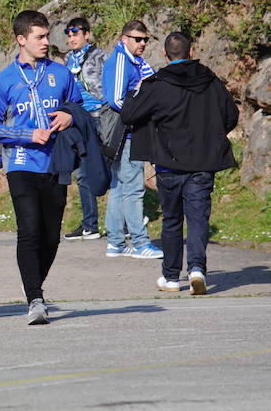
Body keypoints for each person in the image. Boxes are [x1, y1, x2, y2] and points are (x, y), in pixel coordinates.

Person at [120, 32, 238, 294]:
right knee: (197, 219)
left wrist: (135, 93)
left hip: (168, 164)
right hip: (202, 163)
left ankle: (171, 277)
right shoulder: (211, 80)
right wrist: (210, 138)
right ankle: (197, 269)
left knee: (172, 220)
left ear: (164, 54)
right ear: (191, 51)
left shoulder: (157, 83)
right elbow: (231, 115)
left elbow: (129, 114)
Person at [0, 10, 81, 325]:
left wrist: (69, 114)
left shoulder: (61, 73)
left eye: (47, 36)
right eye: (39, 37)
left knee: (51, 235)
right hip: (21, 164)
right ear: (21, 39)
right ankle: (34, 299)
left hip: (55, 162)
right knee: (29, 229)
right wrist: (28, 134)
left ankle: (34, 285)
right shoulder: (4, 80)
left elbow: (80, 105)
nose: (46, 42)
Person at [101, 20, 163, 260]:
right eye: (138, 39)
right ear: (124, 39)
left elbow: (154, 83)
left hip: (131, 132)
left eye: (146, 39)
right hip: (125, 134)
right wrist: (140, 96)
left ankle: (115, 242)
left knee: (118, 188)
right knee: (133, 190)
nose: (143, 44)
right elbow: (116, 100)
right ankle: (140, 242)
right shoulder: (120, 61)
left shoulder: (137, 61)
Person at [61, 18, 108, 240]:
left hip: (99, 116)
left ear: (86, 34)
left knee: (109, 167)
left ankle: (126, 219)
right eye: (69, 34)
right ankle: (90, 225)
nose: (72, 38)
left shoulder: (101, 56)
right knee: (81, 171)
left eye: (76, 33)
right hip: (79, 119)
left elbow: (110, 85)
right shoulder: (68, 60)